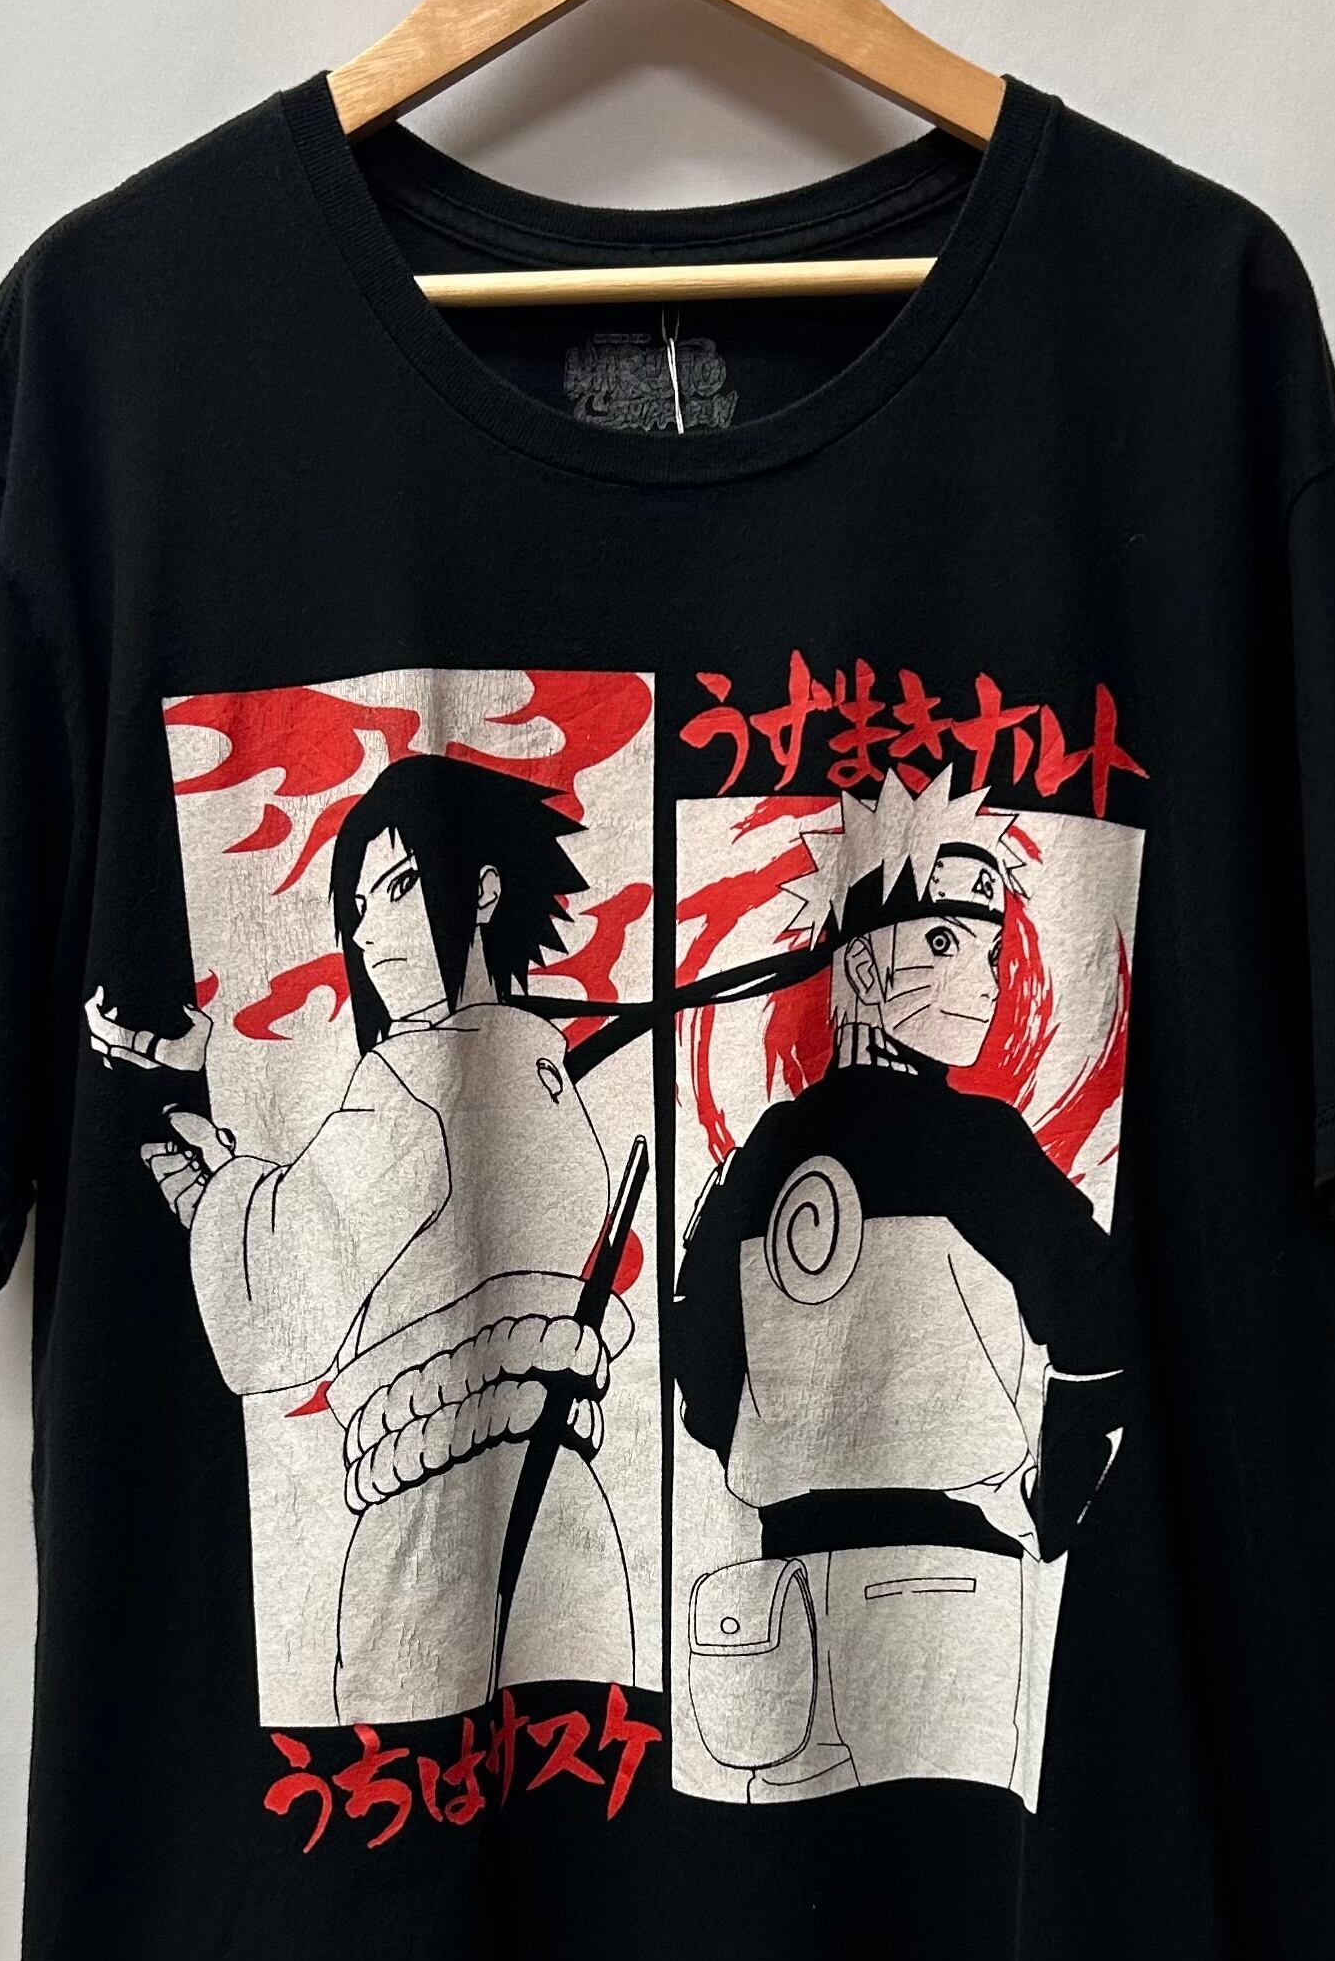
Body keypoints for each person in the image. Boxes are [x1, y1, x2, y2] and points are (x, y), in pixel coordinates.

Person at [93, 752, 638, 1722]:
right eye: (356, 905)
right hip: (568, 1508)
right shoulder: (543, 1075)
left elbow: (279, 1307)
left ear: (482, 891)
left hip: (431, 1517)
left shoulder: (411, 1085)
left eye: (399, 887)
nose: (370, 931)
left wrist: (222, 1192)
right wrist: (229, 1145)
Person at [670, 768, 1128, 1798]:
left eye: (992, 951)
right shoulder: (978, 1145)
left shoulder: (763, 1152)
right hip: (946, 1588)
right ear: (865, 968)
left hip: (777, 1590)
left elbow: (697, 1353)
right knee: (946, 1836)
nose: (985, 980)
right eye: (946, 942)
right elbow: (1103, 1320)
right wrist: (1054, 1497)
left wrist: (770, 1438)